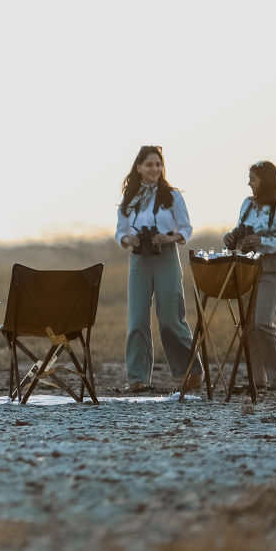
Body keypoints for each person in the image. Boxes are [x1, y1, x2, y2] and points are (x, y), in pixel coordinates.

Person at [115, 146, 195, 393]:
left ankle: (190, 372)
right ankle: (137, 378)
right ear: (139, 167)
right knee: (137, 319)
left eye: (158, 164)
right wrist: (128, 240)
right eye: (149, 164)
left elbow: (186, 229)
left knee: (171, 319)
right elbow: (121, 230)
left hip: (166, 257)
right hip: (139, 259)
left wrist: (170, 238)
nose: (155, 169)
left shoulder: (172, 196)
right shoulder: (130, 198)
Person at [225, 160, 276, 392]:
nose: (249, 183)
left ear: (265, 180)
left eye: (253, 179)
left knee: (263, 322)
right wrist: (232, 238)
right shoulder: (247, 204)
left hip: (271, 268)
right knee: (248, 325)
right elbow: (240, 229)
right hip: (248, 267)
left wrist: (261, 241)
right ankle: (257, 379)